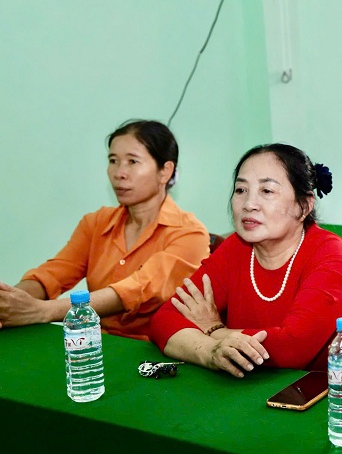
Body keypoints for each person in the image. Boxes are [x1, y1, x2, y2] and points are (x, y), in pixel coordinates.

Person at [150, 144, 342, 383]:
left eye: (267, 191)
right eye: (241, 190)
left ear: (304, 206)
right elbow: (164, 320)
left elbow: (292, 348)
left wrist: (215, 330)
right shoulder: (236, 248)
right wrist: (210, 352)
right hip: (258, 384)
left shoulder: (333, 256)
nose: (249, 204)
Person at [0, 120, 209, 340]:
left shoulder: (190, 234)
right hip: (96, 343)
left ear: (165, 171)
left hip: (155, 349)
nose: (119, 173)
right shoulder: (96, 223)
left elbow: (137, 290)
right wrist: (10, 301)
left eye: (132, 161)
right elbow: (53, 274)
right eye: (113, 161)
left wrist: (42, 311)